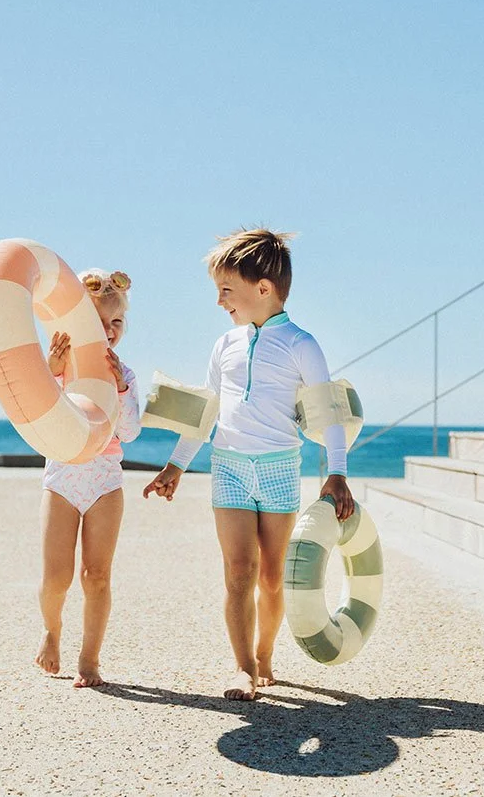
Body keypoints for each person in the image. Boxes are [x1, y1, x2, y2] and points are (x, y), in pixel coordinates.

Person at [143, 228, 354, 701]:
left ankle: (263, 655)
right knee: (238, 570)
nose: (220, 302)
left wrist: (336, 472)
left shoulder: (302, 345)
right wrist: (176, 465)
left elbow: (327, 414)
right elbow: (207, 411)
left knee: (271, 576)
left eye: (226, 290)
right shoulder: (224, 346)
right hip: (230, 467)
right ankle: (242, 668)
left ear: (263, 288)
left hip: (280, 468)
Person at [35, 268, 140, 687]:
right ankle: (51, 630)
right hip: (62, 479)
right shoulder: (58, 366)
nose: (109, 331)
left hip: (104, 482)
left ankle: (90, 660)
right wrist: (51, 371)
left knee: (96, 575)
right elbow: (43, 418)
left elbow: (129, 432)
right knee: (56, 577)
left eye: (117, 323)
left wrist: (120, 389)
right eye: (99, 322)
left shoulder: (125, 373)